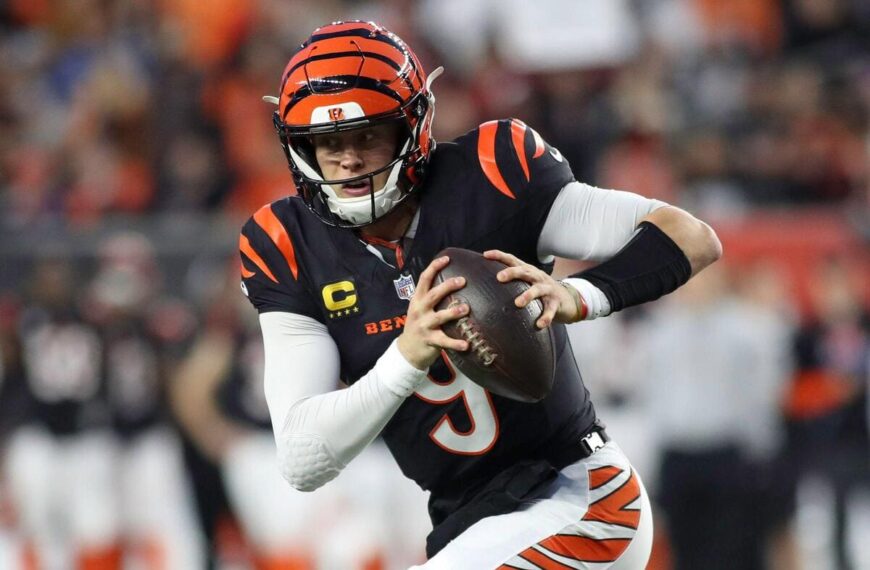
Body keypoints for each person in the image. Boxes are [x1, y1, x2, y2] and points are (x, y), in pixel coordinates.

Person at [239, 20, 722, 569]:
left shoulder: (493, 174)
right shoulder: (287, 244)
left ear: (412, 126)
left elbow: (690, 236)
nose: (348, 160)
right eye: (328, 143)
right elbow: (303, 459)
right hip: (468, 521)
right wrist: (408, 357)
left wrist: (578, 295)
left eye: (368, 135)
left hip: (578, 499)